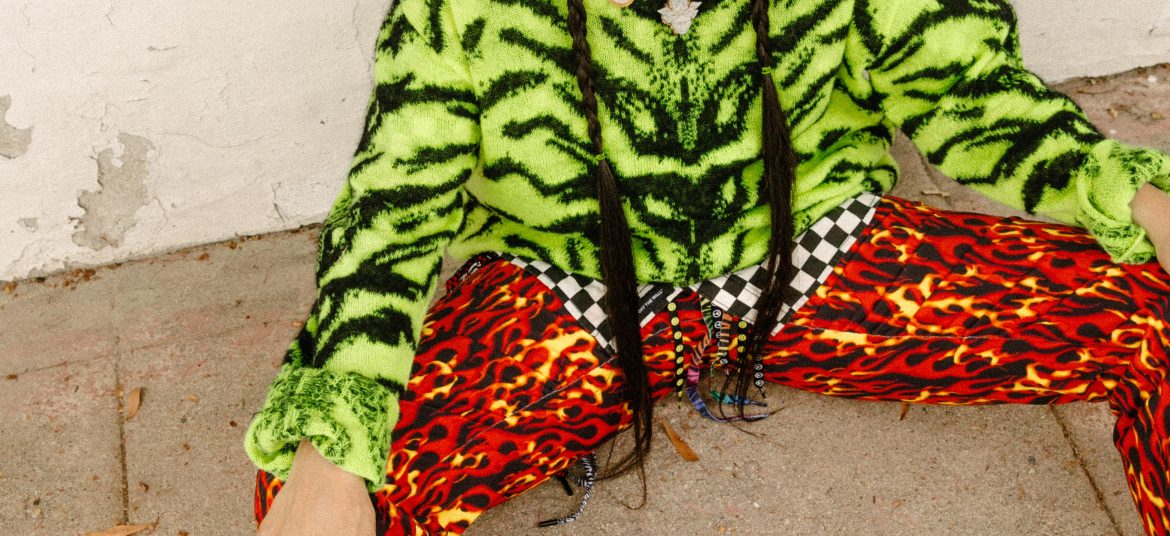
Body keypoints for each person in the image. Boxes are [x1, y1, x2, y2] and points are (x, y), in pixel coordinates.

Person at [242, 0, 1170, 534]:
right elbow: (394, 212)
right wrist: (333, 446)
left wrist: (1137, 197)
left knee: (1153, 314)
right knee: (317, 496)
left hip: (816, 253)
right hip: (563, 286)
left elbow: (971, 92)